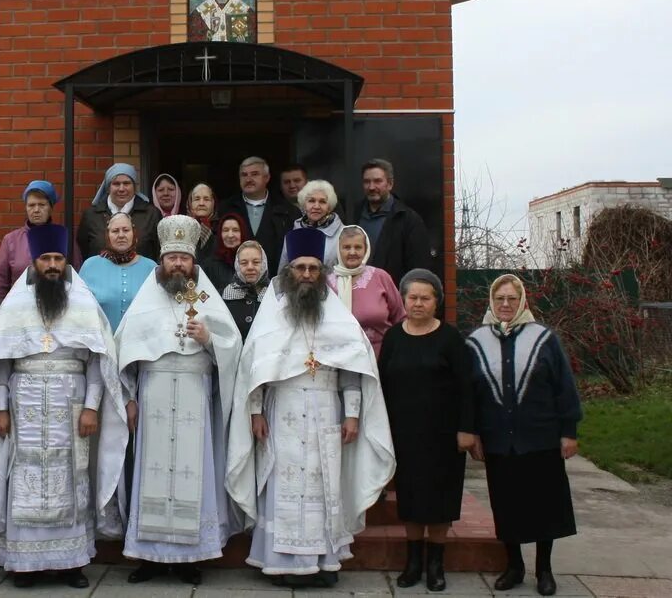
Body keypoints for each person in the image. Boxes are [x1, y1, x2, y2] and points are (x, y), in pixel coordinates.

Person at [226, 228, 394, 589]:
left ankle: (322, 562)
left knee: (324, 487)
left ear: (322, 273)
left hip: (325, 412)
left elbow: (353, 368)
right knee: (282, 485)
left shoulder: (338, 317)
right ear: (289, 271)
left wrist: (351, 414)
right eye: (300, 267)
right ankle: (282, 562)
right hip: (282, 412)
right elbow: (254, 369)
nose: (306, 274)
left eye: (313, 269)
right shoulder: (272, 316)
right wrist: (255, 411)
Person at [0, 224, 127, 588]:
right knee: (23, 475)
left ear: (66, 262)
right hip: (23, 400)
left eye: (58, 258)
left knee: (72, 477)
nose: (51, 265)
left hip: (70, 404)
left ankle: (71, 564)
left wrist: (92, 407)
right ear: (33, 262)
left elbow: (97, 360)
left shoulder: (82, 302)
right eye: (45, 258)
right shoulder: (14, 305)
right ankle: (25, 563)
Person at [116, 215, 243, 585]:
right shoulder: (147, 298)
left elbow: (233, 349)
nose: (177, 264)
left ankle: (190, 559)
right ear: (161, 261)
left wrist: (209, 339)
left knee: (195, 470)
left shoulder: (205, 298)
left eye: (183, 258)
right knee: (149, 474)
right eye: (171, 257)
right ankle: (148, 558)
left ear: (193, 262)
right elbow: (124, 352)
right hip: (152, 396)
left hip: (194, 398)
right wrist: (129, 399)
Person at [467, 274, 582, 597]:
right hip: (499, 441)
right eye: (500, 299)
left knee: (545, 505)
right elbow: (469, 394)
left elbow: (564, 388)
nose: (505, 305)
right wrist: (473, 432)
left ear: (523, 302)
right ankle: (514, 566)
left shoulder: (544, 338)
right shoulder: (476, 341)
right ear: (492, 301)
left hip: (541, 438)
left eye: (512, 299)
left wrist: (568, 431)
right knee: (507, 506)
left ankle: (544, 570)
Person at [378, 269, 475, 591]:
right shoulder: (393, 338)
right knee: (411, 499)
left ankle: (436, 565)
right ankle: (413, 563)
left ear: (437, 302)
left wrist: (467, 429)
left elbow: (467, 388)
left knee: (439, 501)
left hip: (443, 436)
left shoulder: (450, 339)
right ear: (403, 300)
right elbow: (382, 385)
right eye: (413, 297)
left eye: (425, 298)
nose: (418, 303)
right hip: (405, 434)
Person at [0, 180, 82, 300]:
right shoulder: (11, 240)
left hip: (57, 307)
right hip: (20, 309)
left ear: (51, 207)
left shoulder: (64, 238)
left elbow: (77, 276)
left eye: (42, 205)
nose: (36, 210)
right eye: (31, 205)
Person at [329, 226, 405, 357]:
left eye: (358, 247)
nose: (352, 252)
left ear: (366, 249)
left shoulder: (381, 277)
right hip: (340, 360)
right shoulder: (327, 283)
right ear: (338, 250)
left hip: (381, 357)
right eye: (346, 247)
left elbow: (400, 318)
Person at [355, 158, 432, 286]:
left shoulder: (408, 220)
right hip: (356, 296)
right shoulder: (353, 216)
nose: (372, 187)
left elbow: (419, 269)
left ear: (390, 184)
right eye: (367, 182)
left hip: (391, 298)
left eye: (377, 181)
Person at [217, 156, 299, 270]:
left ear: (267, 177)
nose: (249, 179)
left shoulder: (287, 210)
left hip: (275, 279)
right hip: (234, 277)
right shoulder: (225, 208)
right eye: (244, 175)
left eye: (254, 174)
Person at [80, 212, 158, 332]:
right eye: (115, 231)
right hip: (101, 345)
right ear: (107, 235)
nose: (121, 235)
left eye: (126, 230)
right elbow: (80, 309)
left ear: (134, 233)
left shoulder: (151, 267)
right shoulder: (90, 266)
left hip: (141, 344)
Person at [78, 163, 162, 261]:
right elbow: (84, 250)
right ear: (108, 188)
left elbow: (159, 251)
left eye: (126, 183)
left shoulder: (151, 214)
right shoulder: (91, 215)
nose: (121, 189)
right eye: (116, 184)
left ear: (134, 187)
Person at [277, 179, 344, 272]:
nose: (316, 206)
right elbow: (283, 272)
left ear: (329, 207)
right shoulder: (293, 233)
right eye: (311, 201)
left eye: (322, 202)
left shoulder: (343, 234)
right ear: (304, 205)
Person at [221, 240, 269, 341]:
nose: (250, 267)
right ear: (237, 266)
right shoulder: (223, 297)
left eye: (256, 262)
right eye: (244, 263)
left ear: (264, 264)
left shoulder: (274, 295)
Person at [203, 213, 247, 292]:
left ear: (242, 233)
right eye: (225, 230)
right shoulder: (209, 265)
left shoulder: (250, 263)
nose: (230, 235)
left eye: (235, 230)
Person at [186, 182, 218, 259]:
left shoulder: (222, 228)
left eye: (206, 199)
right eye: (197, 199)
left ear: (213, 203)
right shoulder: (182, 226)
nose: (201, 203)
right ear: (190, 203)